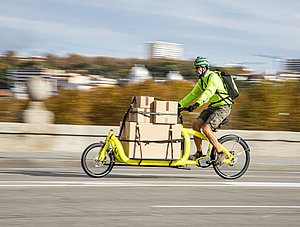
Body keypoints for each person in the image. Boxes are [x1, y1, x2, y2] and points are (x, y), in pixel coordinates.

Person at [178, 57, 232, 162]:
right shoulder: (201, 81)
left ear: (204, 68)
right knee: (196, 125)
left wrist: (198, 103)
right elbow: (192, 94)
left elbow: (209, 92)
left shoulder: (213, 77)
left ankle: (220, 153)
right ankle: (199, 153)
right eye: (195, 68)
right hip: (213, 106)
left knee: (206, 129)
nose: (195, 70)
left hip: (223, 107)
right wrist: (179, 104)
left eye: (197, 67)